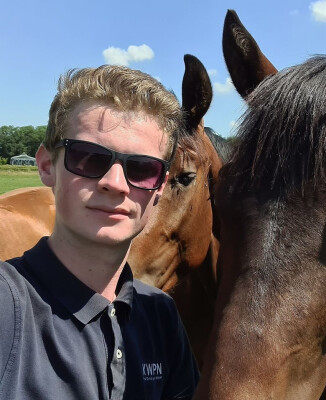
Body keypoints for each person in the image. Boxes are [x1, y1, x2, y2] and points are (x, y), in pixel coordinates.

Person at [0, 66, 199, 399]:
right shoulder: (7, 309)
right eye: (90, 159)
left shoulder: (160, 315)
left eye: (142, 168)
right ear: (47, 166)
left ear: (160, 187)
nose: (115, 184)